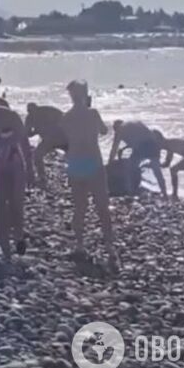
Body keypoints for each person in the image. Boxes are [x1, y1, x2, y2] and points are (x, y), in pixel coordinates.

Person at [59, 80, 117, 268]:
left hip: (76, 162)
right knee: (102, 206)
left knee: (80, 206)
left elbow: (66, 139)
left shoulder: (66, 117)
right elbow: (103, 130)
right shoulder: (93, 113)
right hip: (93, 162)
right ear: (86, 94)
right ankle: (109, 247)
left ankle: (80, 244)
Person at [0, 74, 34, 256]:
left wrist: (31, 168)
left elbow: (24, 142)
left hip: (14, 164)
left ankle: (18, 237)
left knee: (16, 205)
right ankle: (6, 249)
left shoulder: (9, 116)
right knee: (0, 208)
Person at [109, 120, 168, 198]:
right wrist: (125, 148)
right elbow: (142, 137)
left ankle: (130, 192)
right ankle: (164, 193)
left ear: (116, 127)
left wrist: (110, 163)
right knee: (157, 171)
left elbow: (114, 148)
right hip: (153, 144)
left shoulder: (120, 129)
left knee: (130, 168)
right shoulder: (135, 123)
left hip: (142, 146)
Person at [24, 103, 67, 186]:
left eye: (33, 111)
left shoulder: (48, 110)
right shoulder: (29, 118)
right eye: (30, 112)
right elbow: (27, 133)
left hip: (62, 137)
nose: (33, 114)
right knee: (37, 155)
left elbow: (64, 118)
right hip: (48, 141)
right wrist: (35, 131)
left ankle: (80, 176)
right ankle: (42, 176)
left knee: (73, 156)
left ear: (37, 108)